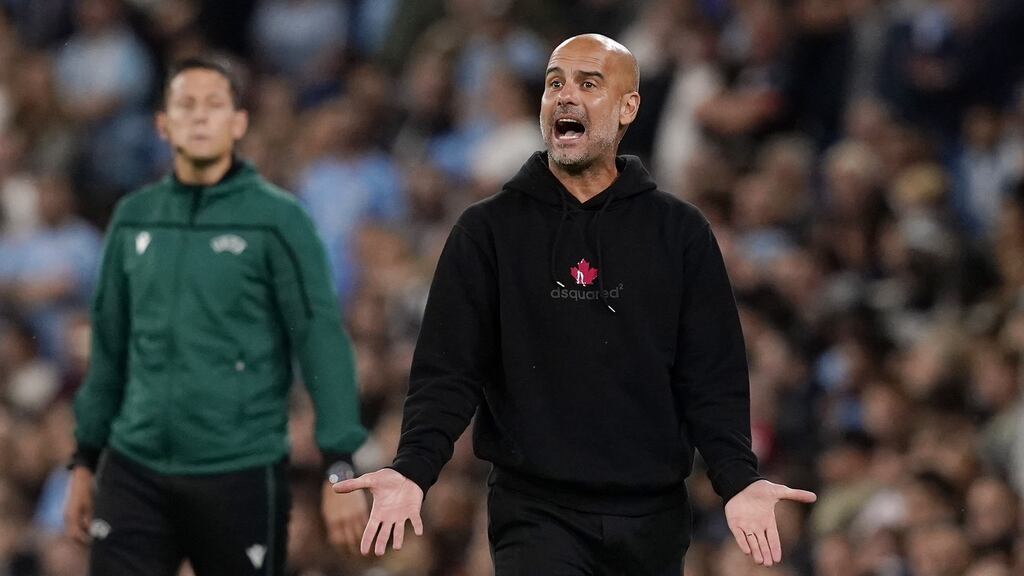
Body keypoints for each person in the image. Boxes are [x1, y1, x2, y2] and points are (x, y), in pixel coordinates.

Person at [335, 34, 817, 574]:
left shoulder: (680, 233)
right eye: (554, 83)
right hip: (536, 512)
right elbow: (447, 371)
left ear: (628, 106)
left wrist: (738, 479)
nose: (565, 96)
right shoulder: (487, 230)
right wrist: (412, 469)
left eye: (589, 84)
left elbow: (713, 375)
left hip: (652, 516)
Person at [63, 56, 368, 575]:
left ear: (238, 122)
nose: (200, 117)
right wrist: (85, 460)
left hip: (240, 470)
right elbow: (110, 347)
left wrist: (339, 464)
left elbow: (320, 338)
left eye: (214, 105)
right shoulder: (133, 217)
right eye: (186, 105)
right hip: (133, 467)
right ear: (163, 124)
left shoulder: (279, 220)